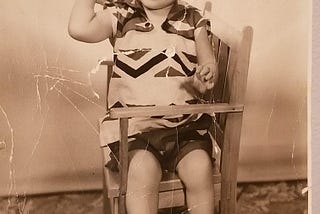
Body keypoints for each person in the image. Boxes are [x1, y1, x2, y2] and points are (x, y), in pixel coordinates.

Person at [68, 0, 218, 213]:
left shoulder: (194, 19)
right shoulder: (121, 15)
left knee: (200, 169)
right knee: (141, 173)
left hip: (184, 128)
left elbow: (208, 62)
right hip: (136, 131)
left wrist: (207, 74)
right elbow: (78, 29)